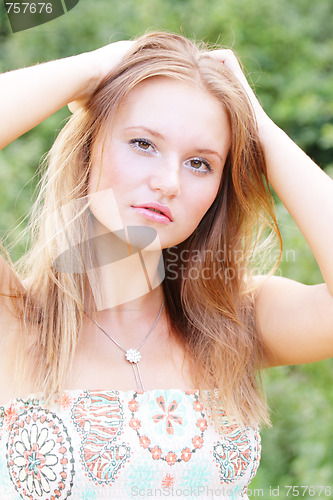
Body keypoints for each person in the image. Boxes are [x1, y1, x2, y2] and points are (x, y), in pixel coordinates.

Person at [0, 31, 332, 499]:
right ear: (90, 146)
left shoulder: (233, 323)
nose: (168, 182)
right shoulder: (17, 321)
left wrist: (258, 126)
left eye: (200, 163)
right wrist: (93, 68)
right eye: (142, 143)